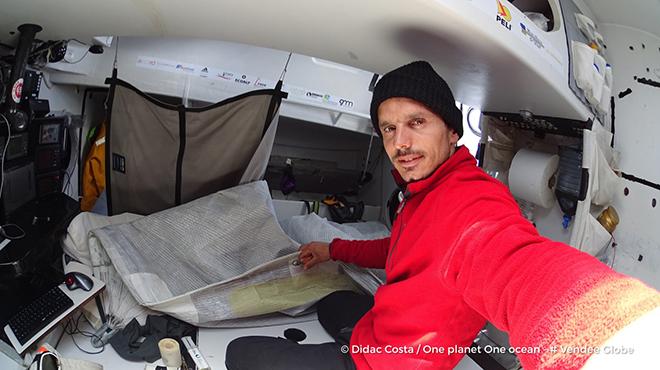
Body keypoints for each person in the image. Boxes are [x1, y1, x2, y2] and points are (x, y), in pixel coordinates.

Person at [225, 61, 660, 369]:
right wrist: (332, 248)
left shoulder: (470, 202)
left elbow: (510, 262)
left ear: (452, 131)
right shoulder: (420, 192)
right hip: (381, 326)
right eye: (390, 129)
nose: (401, 143)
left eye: (417, 122)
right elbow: (398, 248)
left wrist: (616, 334)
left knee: (238, 353)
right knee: (333, 301)